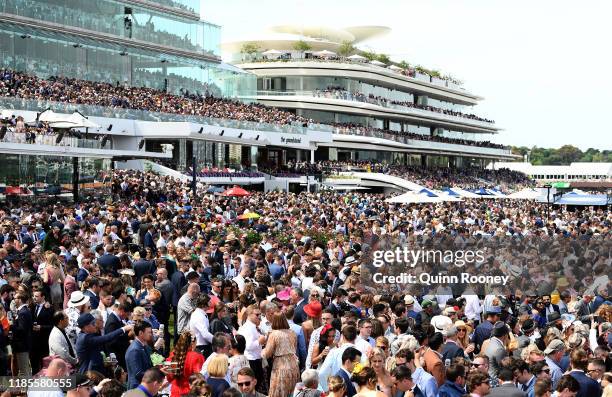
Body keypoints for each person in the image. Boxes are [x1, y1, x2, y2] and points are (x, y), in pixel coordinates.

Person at [262, 312, 300, 397]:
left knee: (279, 391)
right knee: (293, 391)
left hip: (280, 365)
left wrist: (261, 351)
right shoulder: (292, 332)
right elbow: (295, 347)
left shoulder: (274, 334)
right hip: (293, 364)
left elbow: (267, 353)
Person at [166, 330, 205, 397]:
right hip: (190, 393)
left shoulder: (173, 355)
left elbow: (169, 377)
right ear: (193, 343)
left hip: (175, 393)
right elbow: (199, 379)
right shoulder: (197, 357)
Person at [237, 304, 266, 393]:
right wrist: (260, 342)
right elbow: (248, 346)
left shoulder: (253, 326)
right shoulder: (248, 328)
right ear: (249, 315)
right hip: (251, 360)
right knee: (252, 387)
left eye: (260, 315)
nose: (259, 317)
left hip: (256, 359)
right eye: (257, 315)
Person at [30, 289, 54, 374]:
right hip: (33, 341)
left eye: (36, 296)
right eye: (33, 296)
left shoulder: (49, 308)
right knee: (34, 364)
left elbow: (52, 326)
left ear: (43, 297)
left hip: (44, 341)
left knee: (44, 364)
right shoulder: (32, 307)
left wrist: (41, 327)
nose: (34, 298)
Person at [126, 321, 154, 389]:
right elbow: (138, 374)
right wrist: (156, 374)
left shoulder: (144, 346)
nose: (151, 334)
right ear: (141, 333)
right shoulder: (134, 350)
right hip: (137, 388)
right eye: (149, 332)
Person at [104, 302, 132, 369]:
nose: (127, 317)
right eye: (127, 314)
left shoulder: (117, 319)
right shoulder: (112, 322)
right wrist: (128, 338)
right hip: (116, 355)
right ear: (122, 311)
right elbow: (112, 341)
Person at [11, 292, 33, 375]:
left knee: (24, 370)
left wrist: (11, 325)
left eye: (15, 298)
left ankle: (27, 388)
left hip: (22, 346)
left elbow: (21, 330)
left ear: (20, 300)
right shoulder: (23, 311)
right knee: (25, 369)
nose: (14, 300)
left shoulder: (23, 312)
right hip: (23, 345)